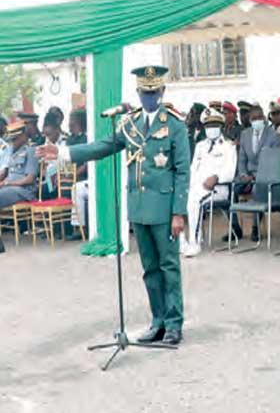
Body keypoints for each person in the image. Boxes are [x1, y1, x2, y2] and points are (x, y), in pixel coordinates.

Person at [38, 65, 189, 346]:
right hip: (139, 208)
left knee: (169, 267)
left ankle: (173, 324)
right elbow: (102, 146)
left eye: (154, 92)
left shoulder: (175, 125)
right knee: (149, 269)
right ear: (138, 93)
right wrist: (62, 152)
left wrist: (179, 212)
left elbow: (182, 171)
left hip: (165, 209)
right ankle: (157, 321)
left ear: (162, 91)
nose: (149, 97)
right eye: (145, 92)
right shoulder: (130, 124)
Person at [181, 109, 237, 257]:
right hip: (197, 188)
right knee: (178, 196)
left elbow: (230, 172)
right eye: (208, 126)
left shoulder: (229, 146)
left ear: (220, 127)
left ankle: (195, 242)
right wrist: (186, 186)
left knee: (194, 201)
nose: (211, 129)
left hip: (218, 189)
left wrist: (217, 177)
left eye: (214, 125)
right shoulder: (200, 146)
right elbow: (193, 169)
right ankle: (181, 241)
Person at [228, 105, 280, 242]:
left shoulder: (274, 135)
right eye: (254, 118)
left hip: (265, 176)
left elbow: (275, 162)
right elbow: (242, 160)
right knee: (230, 188)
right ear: (250, 120)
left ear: (264, 118)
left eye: (259, 118)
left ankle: (255, 227)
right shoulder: (245, 134)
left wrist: (256, 177)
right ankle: (235, 228)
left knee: (258, 188)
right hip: (247, 176)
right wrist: (243, 174)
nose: (256, 121)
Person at [0, 121, 39, 209]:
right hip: (9, 189)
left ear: (23, 136)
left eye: (14, 139)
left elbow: (30, 179)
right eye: (10, 140)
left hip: (24, 192)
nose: (12, 143)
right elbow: (5, 173)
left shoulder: (31, 150)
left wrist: (8, 183)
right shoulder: (11, 152)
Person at [66, 110, 89, 240]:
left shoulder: (85, 139)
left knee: (76, 189)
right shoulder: (70, 139)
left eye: (72, 120)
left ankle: (80, 228)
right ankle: (65, 228)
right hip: (69, 175)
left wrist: (73, 174)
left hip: (82, 176)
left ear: (79, 122)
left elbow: (86, 164)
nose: (69, 123)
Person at [39, 117, 66, 201]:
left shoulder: (65, 142)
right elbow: (44, 164)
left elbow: (64, 162)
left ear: (57, 130)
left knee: (46, 189)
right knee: (40, 189)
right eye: (46, 135)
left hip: (62, 176)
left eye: (49, 134)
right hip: (49, 178)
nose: (48, 138)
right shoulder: (46, 143)